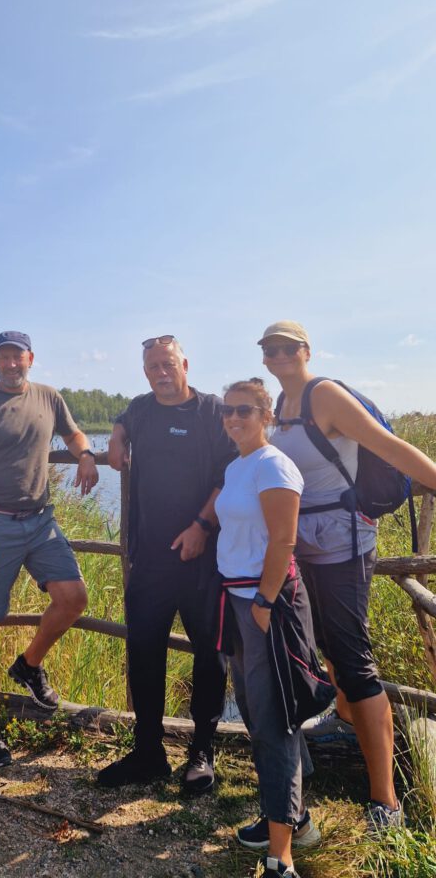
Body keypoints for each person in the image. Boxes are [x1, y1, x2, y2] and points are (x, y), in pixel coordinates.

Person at [260, 320, 436, 830]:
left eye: (288, 347)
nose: (279, 355)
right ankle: (341, 724)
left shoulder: (325, 396)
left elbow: (388, 447)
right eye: (271, 349)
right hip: (301, 545)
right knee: (324, 649)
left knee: (355, 661)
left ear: (306, 351)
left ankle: (387, 803)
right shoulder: (281, 404)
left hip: (342, 544)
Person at [0, 331, 98, 767]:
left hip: (40, 519)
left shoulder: (49, 396)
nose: (12, 363)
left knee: (74, 598)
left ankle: (29, 665)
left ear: (30, 358)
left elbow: (72, 435)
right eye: (4, 356)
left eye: (19, 355)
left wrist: (88, 454)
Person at [97, 335, 234, 792]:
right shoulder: (139, 409)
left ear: (185, 365)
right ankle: (148, 751)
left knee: (209, 656)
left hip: (203, 559)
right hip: (150, 557)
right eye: (153, 365)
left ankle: (202, 749)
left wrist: (201, 525)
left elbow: (228, 473)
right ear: (145, 371)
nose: (161, 371)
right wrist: (117, 435)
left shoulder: (213, 411)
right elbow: (123, 421)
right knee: (144, 652)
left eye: (168, 363)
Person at [215, 379, 324, 878]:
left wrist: (263, 601)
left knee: (275, 717)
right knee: (259, 713)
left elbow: (284, 541)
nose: (233, 418)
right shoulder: (236, 465)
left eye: (244, 410)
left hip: (268, 603)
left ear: (266, 416)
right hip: (238, 601)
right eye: (227, 410)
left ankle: (282, 854)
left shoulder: (274, 464)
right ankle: (291, 816)